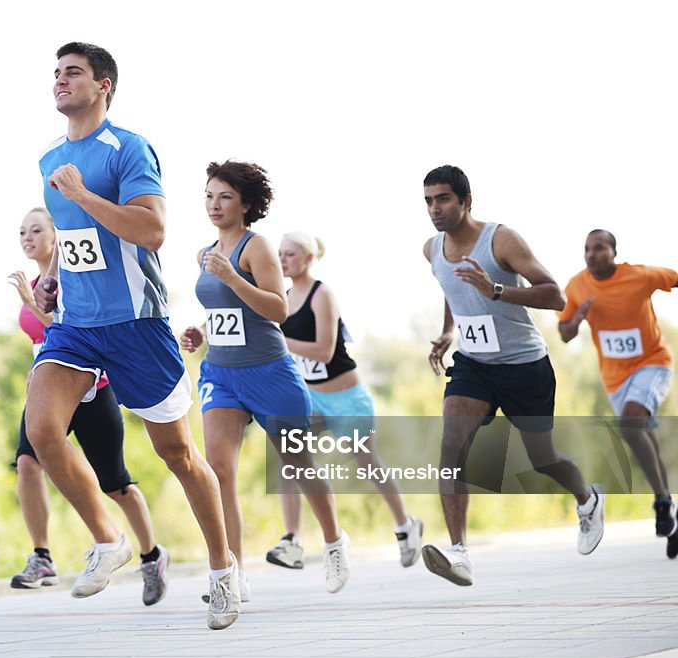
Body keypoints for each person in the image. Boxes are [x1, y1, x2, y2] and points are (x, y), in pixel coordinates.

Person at [28, 42, 238, 630]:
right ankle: (108, 537)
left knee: (178, 454)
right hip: (76, 326)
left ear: (104, 85)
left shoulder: (128, 148)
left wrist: (83, 195)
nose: (60, 81)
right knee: (42, 429)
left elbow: (152, 230)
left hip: (137, 326)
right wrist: (50, 280)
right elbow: (72, 241)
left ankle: (224, 573)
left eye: (73, 73)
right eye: (56, 74)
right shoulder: (49, 160)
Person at [422, 164, 605, 586]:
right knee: (451, 449)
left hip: (524, 366)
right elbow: (453, 287)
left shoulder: (499, 239)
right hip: (474, 365)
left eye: (443, 198)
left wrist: (497, 290)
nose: (435, 208)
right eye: (429, 201)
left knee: (544, 460)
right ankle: (460, 554)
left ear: (467, 201)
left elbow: (556, 296)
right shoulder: (431, 249)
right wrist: (449, 332)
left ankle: (587, 498)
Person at [181, 161, 350, 599]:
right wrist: (202, 330)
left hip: (270, 373)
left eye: (224, 197)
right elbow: (226, 310)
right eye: (209, 196)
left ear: (246, 205)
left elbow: (279, 310)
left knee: (297, 465)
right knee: (218, 472)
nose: (214, 205)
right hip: (221, 373)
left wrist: (232, 276)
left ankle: (333, 542)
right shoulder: (204, 254)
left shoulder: (257, 248)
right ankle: (232, 573)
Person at [8, 207, 169, 604]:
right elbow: (44, 342)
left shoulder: (71, 279)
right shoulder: (36, 284)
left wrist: (31, 301)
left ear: (57, 235)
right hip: (49, 392)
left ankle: (150, 556)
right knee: (28, 462)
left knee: (115, 483)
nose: (27, 238)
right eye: (22, 232)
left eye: (36, 230)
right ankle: (42, 556)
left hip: (92, 388)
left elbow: (63, 325)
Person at [269, 232, 423, 570]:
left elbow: (324, 351)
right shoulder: (281, 296)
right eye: (279, 254)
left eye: (290, 254)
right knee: (289, 456)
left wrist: (280, 338)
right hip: (311, 397)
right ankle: (292, 539)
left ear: (308, 258)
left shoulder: (322, 295)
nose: (282, 260)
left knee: (368, 463)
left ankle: (405, 525)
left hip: (346, 396)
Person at [558, 229, 678, 558]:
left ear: (613, 252)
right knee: (643, 437)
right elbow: (564, 334)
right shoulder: (577, 285)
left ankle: (663, 501)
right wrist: (577, 320)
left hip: (653, 364)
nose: (591, 254)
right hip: (615, 379)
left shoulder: (639, 276)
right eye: (587, 249)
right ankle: (668, 505)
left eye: (599, 248)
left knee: (628, 425)